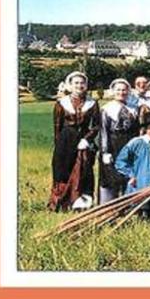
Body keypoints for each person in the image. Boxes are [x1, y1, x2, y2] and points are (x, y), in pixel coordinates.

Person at [48, 71, 100, 212]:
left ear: (86, 85)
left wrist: (86, 139)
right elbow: (57, 126)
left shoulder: (92, 103)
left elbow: (96, 126)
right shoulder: (61, 103)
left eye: (82, 83)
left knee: (83, 172)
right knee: (63, 171)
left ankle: (80, 204)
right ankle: (61, 203)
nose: (79, 85)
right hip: (65, 140)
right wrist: (58, 147)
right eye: (76, 83)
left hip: (83, 140)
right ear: (70, 85)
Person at [98, 78, 139, 204]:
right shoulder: (106, 109)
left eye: (124, 89)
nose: (121, 92)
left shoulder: (133, 108)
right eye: (118, 90)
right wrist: (105, 151)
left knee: (128, 174)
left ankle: (127, 203)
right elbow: (103, 131)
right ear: (113, 91)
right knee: (111, 176)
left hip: (129, 144)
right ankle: (108, 205)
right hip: (113, 143)